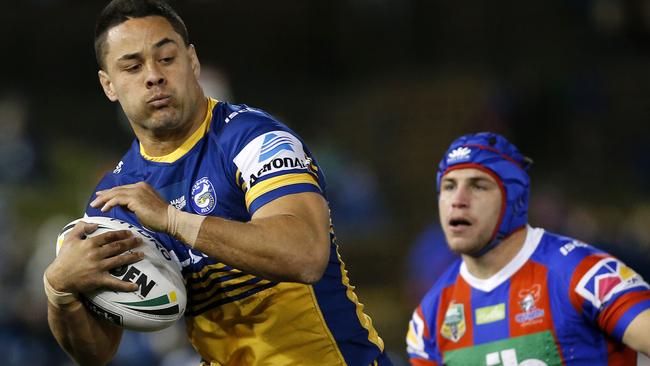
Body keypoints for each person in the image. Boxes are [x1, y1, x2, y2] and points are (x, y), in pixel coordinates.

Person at [43, 1, 391, 365]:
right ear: (108, 85)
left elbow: (305, 254)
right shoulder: (115, 200)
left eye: (166, 59)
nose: (153, 76)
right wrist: (60, 289)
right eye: (132, 66)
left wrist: (173, 221)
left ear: (192, 62)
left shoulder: (253, 138)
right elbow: (96, 351)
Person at [406, 132, 650, 365]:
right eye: (448, 186)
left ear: (514, 199)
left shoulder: (583, 275)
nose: (458, 200)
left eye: (478, 185)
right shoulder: (429, 318)